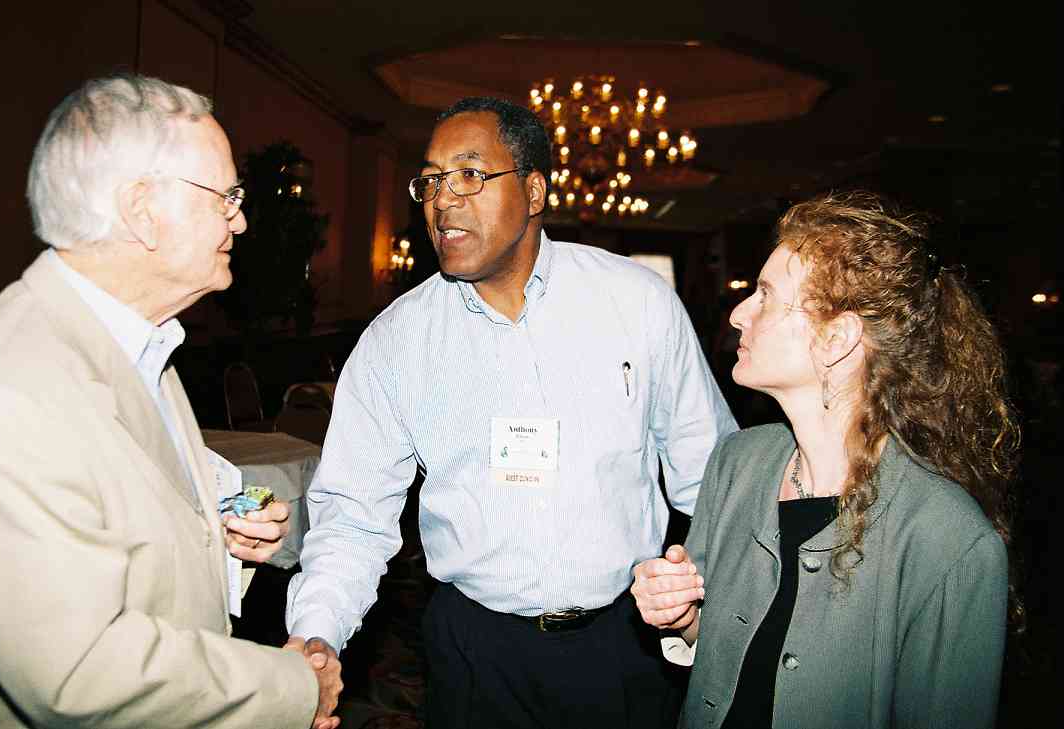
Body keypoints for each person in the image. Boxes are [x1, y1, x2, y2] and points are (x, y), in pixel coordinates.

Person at [286, 96, 737, 729]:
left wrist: (703, 609)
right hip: (474, 653)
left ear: (533, 191)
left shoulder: (637, 304)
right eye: (431, 181)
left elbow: (717, 480)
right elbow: (353, 518)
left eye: (469, 174)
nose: (443, 199)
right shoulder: (399, 339)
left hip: (626, 647)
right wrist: (317, 637)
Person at [0, 75, 342, 729]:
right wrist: (292, 686)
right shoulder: (10, 383)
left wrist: (222, 530)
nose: (240, 217)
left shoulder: (141, 339)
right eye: (226, 195)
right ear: (142, 209)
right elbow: (80, 670)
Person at [631, 190, 1019, 728]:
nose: (740, 313)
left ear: (836, 337)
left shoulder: (947, 537)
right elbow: (723, 644)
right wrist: (682, 616)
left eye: (765, 296)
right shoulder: (738, 462)